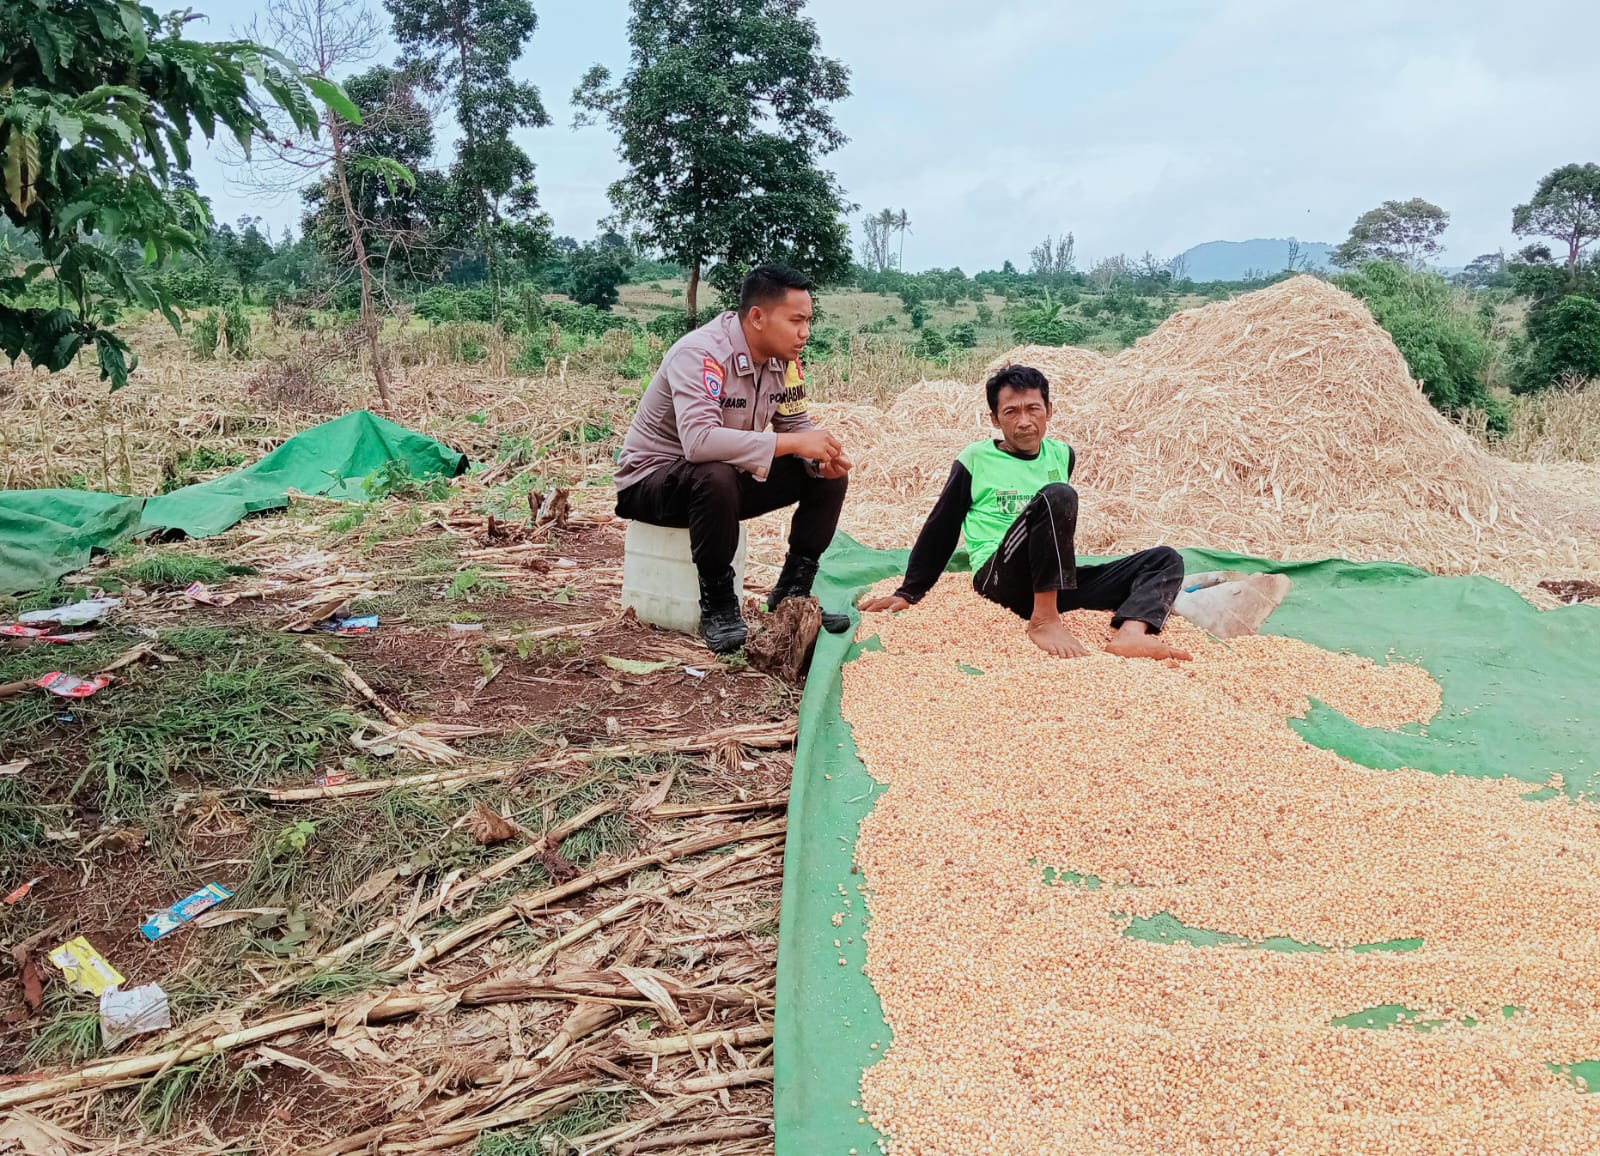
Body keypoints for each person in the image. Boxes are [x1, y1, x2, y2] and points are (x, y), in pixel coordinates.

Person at [860, 364, 1192, 661]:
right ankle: (1044, 620)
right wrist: (909, 590)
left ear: (1049, 410)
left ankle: (1131, 633)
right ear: (995, 419)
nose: (1024, 422)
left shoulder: (1061, 454)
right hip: (999, 579)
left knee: (1165, 559)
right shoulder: (975, 459)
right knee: (1057, 495)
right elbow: (941, 526)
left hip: (1053, 581)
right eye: (1011, 412)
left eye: (1033, 409)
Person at [615, 264, 852, 654]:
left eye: (808, 321)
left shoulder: (785, 363)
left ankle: (793, 597)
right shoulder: (701, 354)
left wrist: (819, 459)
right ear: (757, 317)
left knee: (826, 476)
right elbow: (698, 442)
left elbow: (795, 425)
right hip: (653, 483)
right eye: (795, 321)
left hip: (719, 489)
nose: (805, 332)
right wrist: (793, 444)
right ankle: (719, 605)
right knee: (714, 473)